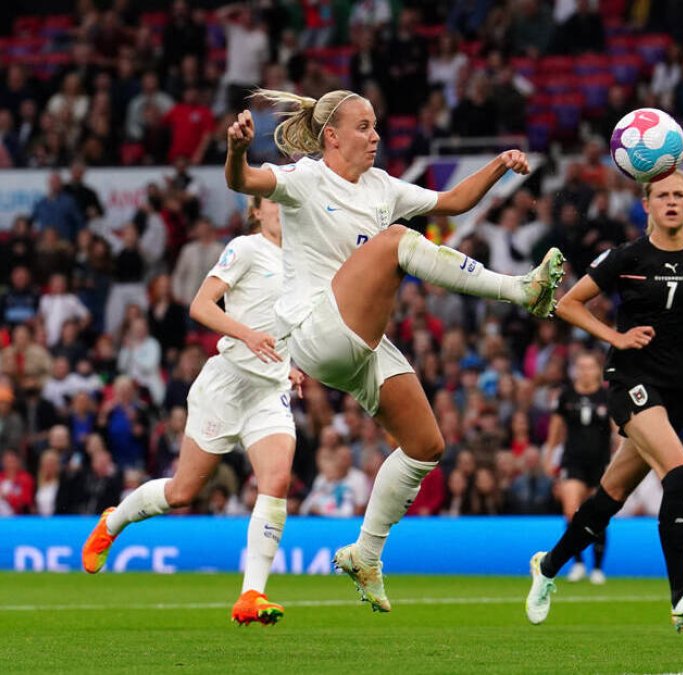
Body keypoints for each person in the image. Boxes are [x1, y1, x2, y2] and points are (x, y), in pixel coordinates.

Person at [223, 88, 563, 612]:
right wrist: (237, 150)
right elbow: (243, 181)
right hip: (314, 330)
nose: (376, 136)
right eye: (364, 127)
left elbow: (453, 203)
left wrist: (498, 165)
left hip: (360, 340)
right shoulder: (303, 180)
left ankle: (366, 552)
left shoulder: (382, 186)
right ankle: (520, 290)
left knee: (427, 445)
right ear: (331, 136)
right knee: (393, 242)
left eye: (376, 125)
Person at [524, 170, 683, 632]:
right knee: (680, 472)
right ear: (647, 205)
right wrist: (615, 335)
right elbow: (569, 304)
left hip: (677, 392)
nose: (671, 202)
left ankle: (548, 567)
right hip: (630, 382)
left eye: (680, 195)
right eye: (662, 196)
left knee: (608, 500)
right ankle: (681, 597)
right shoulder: (626, 256)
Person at [81, 197, 303, 626]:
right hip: (226, 385)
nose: (282, 207)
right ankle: (114, 520)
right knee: (182, 493)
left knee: (276, 480)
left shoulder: (301, 260)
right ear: (256, 211)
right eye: (272, 201)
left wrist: (289, 365)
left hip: (268, 390)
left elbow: (288, 324)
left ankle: (251, 594)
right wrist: (248, 335)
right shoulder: (245, 248)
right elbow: (200, 307)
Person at [543, 351, 612, 585]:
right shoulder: (566, 395)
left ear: (597, 370)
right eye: (580, 367)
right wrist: (549, 454)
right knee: (572, 511)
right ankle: (579, 563)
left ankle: (598, 568)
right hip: (573, 461)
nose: (584, 371)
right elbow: (556, 428)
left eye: (589, 366)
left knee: (599, 513)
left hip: (600, 463)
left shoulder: (606, 396)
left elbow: (617, 431)